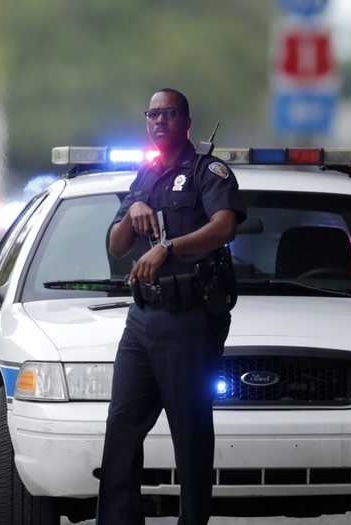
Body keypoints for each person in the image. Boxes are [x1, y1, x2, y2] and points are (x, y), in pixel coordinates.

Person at [96, 88, 246, 525]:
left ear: (186, 122)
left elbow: (223, 228)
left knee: (190, 430)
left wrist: (168, 247)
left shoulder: (207, 172)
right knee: (122, 426)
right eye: (153, 114)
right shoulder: (144, 175)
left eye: (169, 114)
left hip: (189, 318)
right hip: (142, 318)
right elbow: (117, 244)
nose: (159, 121)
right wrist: (133, 209)